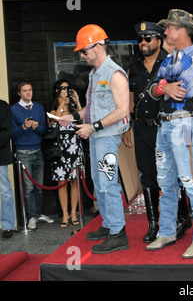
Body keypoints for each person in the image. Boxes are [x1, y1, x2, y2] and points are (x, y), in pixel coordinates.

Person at [145, 9, 193, 259]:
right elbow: (152, 91)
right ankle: (167, 231)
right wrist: (163, 87)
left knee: (190, 181)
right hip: (164, 125)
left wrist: (162, 87)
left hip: (184, 124)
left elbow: (184, 90)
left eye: (169, 28)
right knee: (165, 182)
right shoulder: (168, 59)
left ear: (182, 31)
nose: (165, 32)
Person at [60, 24, 130, 254]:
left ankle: (118, 233)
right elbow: (91, 111)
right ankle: (109, 224)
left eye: (84, 50)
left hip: (107, 137)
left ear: (98, 46)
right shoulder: (94, 75)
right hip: (97, 137)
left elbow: (122, 111)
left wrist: (94, 127)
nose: (82, 55)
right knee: (99, 183)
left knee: (108, 184)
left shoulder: (115, 74)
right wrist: (72, 117)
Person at [122, 21, 169, 243]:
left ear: (159, 40)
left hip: (166, 127)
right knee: (147, 176)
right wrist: (126, 127)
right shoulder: (133, 68)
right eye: (140, 39)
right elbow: (129, 102)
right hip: (141, 128)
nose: (143, 43)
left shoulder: (170, 62)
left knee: (171, 175)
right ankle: (154, 224)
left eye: (148, 38)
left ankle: (180, 217)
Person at [11, 80, 54, 230]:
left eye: (30, 90)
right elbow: (12, 134)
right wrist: (23, 126)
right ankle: (31, 217)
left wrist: (36, 127)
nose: (28, 93)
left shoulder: (39, 108)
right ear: (19, 93)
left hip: (38, 151)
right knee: (28, 188)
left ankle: (38, 214)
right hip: (23, 153)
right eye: (25, 91)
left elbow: (44, 131)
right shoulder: (14, 110)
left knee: (39, 187)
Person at [49, 80, 84, 228]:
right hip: (60, 149)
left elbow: (84, 119)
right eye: (62, 90)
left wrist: (77, 101)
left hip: (75, 147)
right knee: (61, 183)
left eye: (67, 90)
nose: (65, 92)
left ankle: (73, 212)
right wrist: (62, 102)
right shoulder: (53, 110)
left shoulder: (74, 110)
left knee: (75, 181)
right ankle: (64, 213)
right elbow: (54, 121)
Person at [0, 99, 15, 239]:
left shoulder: (2, 106)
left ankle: (8, 226)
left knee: (5, 192)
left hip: (0, 156)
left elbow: (7, 132)